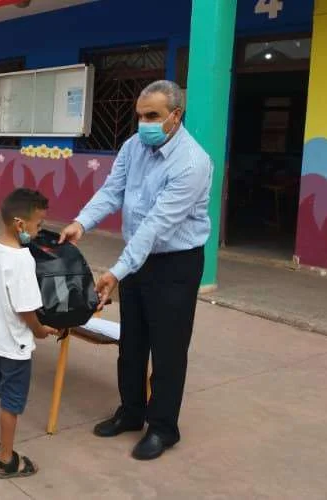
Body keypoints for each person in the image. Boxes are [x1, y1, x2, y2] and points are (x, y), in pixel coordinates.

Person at [59, 80, 212, 461]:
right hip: (136, 258)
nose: (143, 123)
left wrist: (117, 271)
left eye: (153, 116)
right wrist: (82, 222)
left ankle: (163, 428)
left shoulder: (193, 163)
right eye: (140, 115)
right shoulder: (134, 146)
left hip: (176, 263)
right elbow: (113, 190)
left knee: (168, 349)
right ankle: (131, 412)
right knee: (132, 343)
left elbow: (158, 225)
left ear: (175, 117)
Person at [0, 188, 60, 479]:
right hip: (14, 344)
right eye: (38, 225)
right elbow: (26, 309)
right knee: (12, 401)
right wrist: (40, 331)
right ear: (20, 224)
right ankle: (6, 458)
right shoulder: (22, 259)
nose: (38, 231)